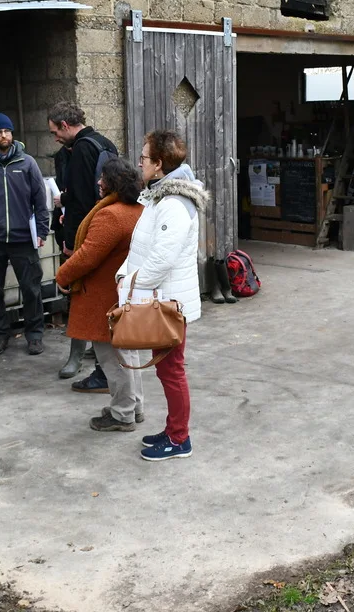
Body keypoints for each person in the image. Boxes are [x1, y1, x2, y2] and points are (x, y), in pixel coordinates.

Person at [120, 130, 207, 461]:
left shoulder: (173, 203)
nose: (139, 163)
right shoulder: (160, 196)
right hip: (162, 298)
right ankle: (173, 428)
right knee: (168, 369)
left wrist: (129, 283)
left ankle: (179, 438)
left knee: (172, 370)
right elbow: (143, 246)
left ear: (158, 165)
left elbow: (160, 260)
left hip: (169, 301)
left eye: (143, 158)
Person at [55, 158, 145, 431]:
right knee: (128, 355)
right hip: (123, 294)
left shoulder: (111, 215)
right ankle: (134, 407)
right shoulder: (137, 209)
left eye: (103, 177)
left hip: (105, 298)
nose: (98, 182)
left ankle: (122, 415)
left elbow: (86, 257)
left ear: (114, 183)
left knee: (112, 358)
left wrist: (62, 275)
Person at [48, 101, 118, 389]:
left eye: (54, 131)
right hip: (108, 232)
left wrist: (69, 242)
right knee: (103, 298)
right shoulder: (106, 143)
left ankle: (93, 366)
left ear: (66, 126)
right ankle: (100, 360)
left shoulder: (80, 150)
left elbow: (78, 200)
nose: (54, 137)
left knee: (81, 296)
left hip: (87, 235)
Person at [0, 113, 50, 357]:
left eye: (7, 131)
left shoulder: (27, 163)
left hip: (24, 239)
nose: (3, 136)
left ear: (12, 134)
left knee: (31, 289)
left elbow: (40, 199)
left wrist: (42, 230)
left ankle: (34, 335)